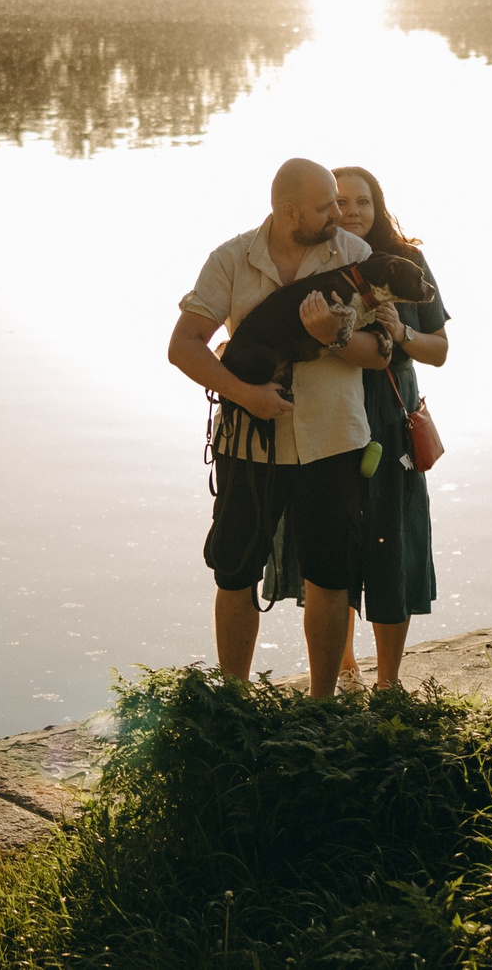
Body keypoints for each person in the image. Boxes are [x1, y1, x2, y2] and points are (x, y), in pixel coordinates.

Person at [168, 157, 391, 697]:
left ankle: (321, 706)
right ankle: (234, 700)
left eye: (339, 203)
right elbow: (183, 346)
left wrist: (334, 336)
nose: (337, 214)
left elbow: (382, 354)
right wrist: (246, 394)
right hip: (248, 443)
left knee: (330, 575)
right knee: (235, 571)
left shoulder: (355, 256)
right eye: (323, 207)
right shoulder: (230, 259)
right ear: (289, 211)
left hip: (334, 441)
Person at [263, 166, 451, 689]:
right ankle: (344, 673)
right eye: (339, 203)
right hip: (327, 419)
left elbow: (439, 350)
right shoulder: (315, 262)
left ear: (378, 206)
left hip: (389, 419)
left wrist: (402, 331)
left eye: (362, 202)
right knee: (333, 549)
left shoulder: (406, 262)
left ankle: (388, 682)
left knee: (394, 547)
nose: (351, 213)